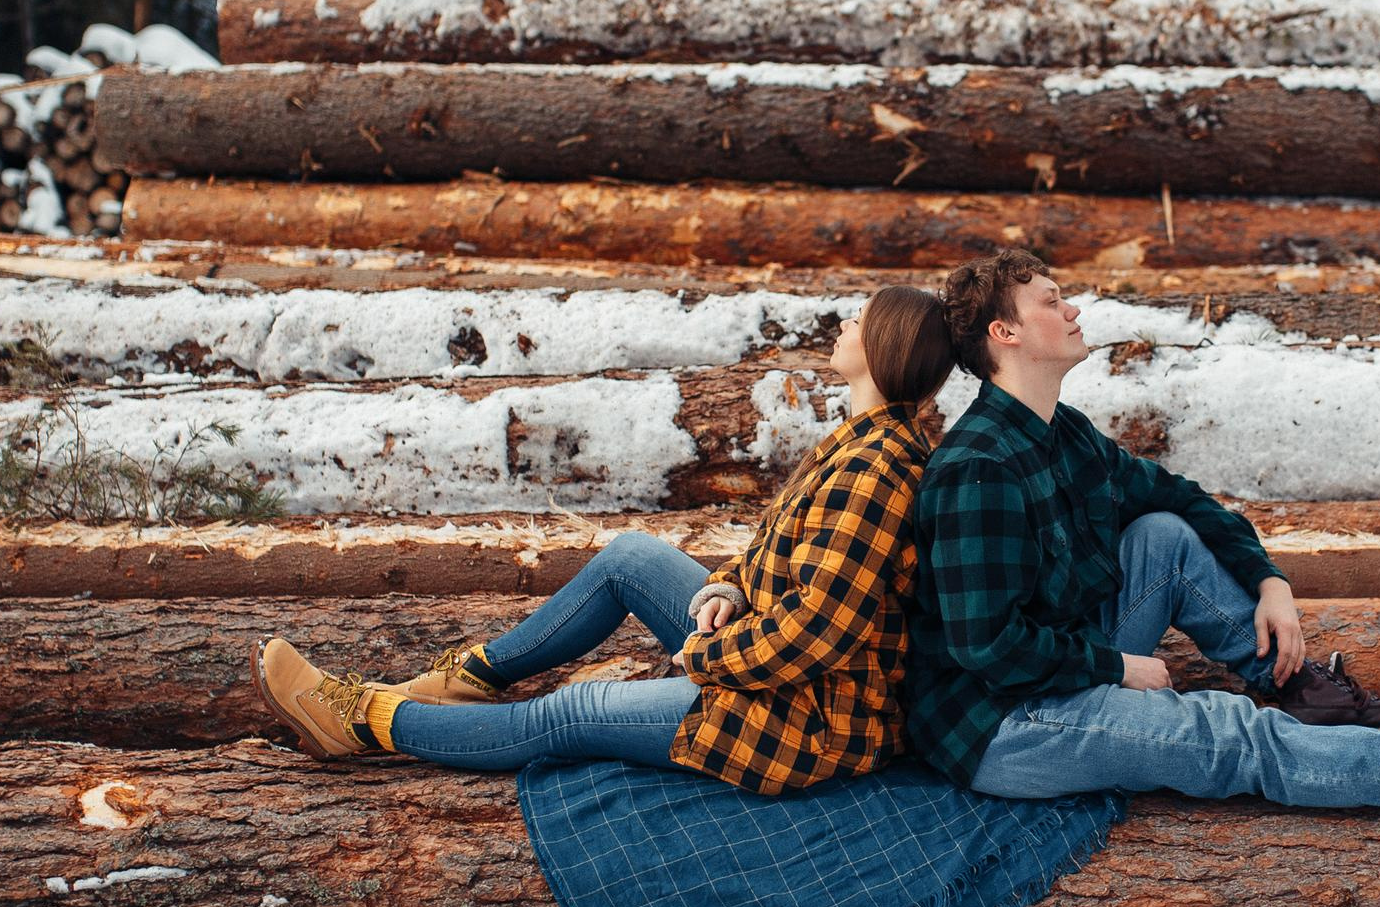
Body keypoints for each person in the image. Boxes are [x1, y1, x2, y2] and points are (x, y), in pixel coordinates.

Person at [904, 250, 1380, 809]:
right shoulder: (981, 468)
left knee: (1162, 536)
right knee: (1226, 733)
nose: (1074, 308)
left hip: (1054, 672)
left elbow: (1178, 497)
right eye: (1052, 301)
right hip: (1005, 724)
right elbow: (985, 644)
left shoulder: (1063, 434)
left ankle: (1304, 692)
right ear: (1007, 332)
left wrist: (1269, 579)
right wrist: (1116, 668)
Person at [253, 285, 955, 795]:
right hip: (769, 657)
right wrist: (728, 586)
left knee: (572, 713)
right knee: (631, 558)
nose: (845, 322)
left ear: (883, 347)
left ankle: (366, 719)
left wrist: (711, 652)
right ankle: (468, 677)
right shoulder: (859, 443)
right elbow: (778, 544)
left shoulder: (877, 472)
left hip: (800, 717)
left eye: (860, 318)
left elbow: (818, 632)